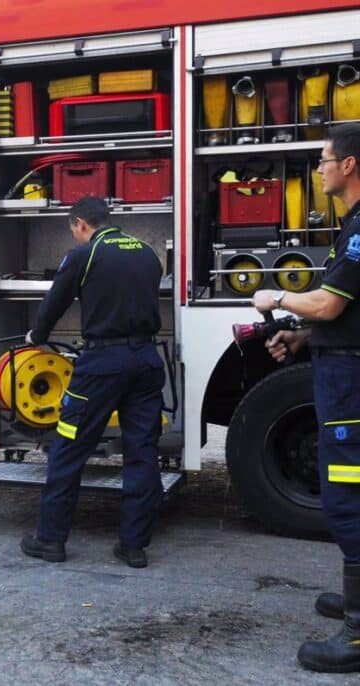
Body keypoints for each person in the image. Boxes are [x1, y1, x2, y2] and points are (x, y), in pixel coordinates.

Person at [254, 123, 360, 674]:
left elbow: (330, 304)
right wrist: (301, 339)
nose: (319, 170)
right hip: (342, 370)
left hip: (351, 384)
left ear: (349, 165)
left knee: (347, 497)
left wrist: (277, 297)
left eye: (323, 160)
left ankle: (358, 635)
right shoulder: (351, 227)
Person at [19, 196, 165, 568]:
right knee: (142, 453)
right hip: (147, 361)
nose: (76, 235)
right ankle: (133, 546)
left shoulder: (83, 255)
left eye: (74, 230)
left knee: (68, 448)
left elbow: (55, 302)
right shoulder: (147, 253)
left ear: (81, 223)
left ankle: (50, 540)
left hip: (102, 365)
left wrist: (37, 336)